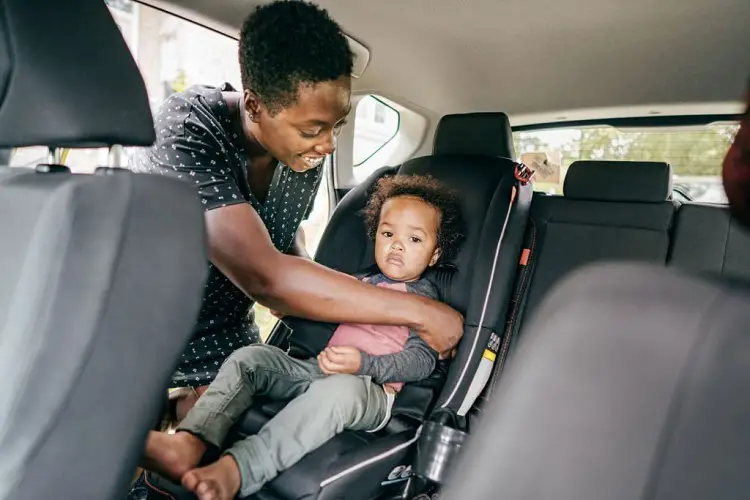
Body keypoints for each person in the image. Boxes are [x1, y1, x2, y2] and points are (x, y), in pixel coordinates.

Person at [129, 0, 463, 418]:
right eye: (312, 130)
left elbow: (285, 249)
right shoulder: (187, 133)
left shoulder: (299, 155)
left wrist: (331, 297)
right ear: (254, 107)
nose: (328, 145)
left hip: (224, 344)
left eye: (336, 125)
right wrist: (424, 311)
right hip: (139, 343)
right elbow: (266, 277)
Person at [140, 174, 464, 499]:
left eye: (415, 240)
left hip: (370, 392)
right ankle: (191, 439)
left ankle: (240, 469)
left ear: (435, 254)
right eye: (388, 233)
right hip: (316, 369)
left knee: (340, 389)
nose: (396, 245)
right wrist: (296, 312)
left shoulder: (427, 303)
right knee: (251, 358)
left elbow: (422, 362)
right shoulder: (359, 283)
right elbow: (324, 321)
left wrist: (364, 364)